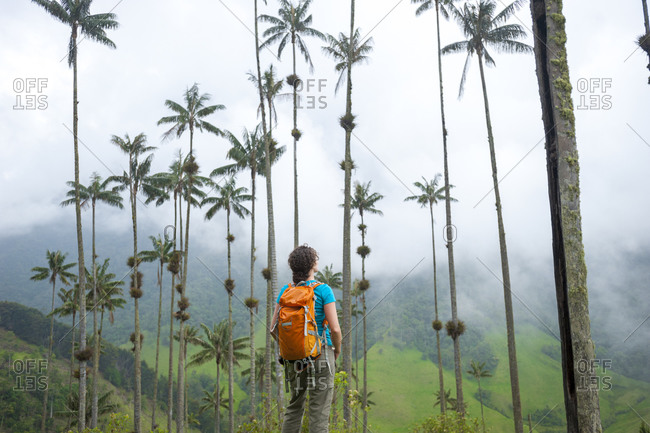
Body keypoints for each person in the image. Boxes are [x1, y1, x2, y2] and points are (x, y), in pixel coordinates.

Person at [271, 245, 342, 433]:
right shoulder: (323, 290)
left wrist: (291, 348)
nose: (318, 260)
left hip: (293, 359)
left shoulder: (286, 291)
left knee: (294, 408)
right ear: (311, 264)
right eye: (315, 258)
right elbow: (335, 328)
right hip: (321, 354)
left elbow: (273, 328)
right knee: (318, 413)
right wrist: (337, 350)